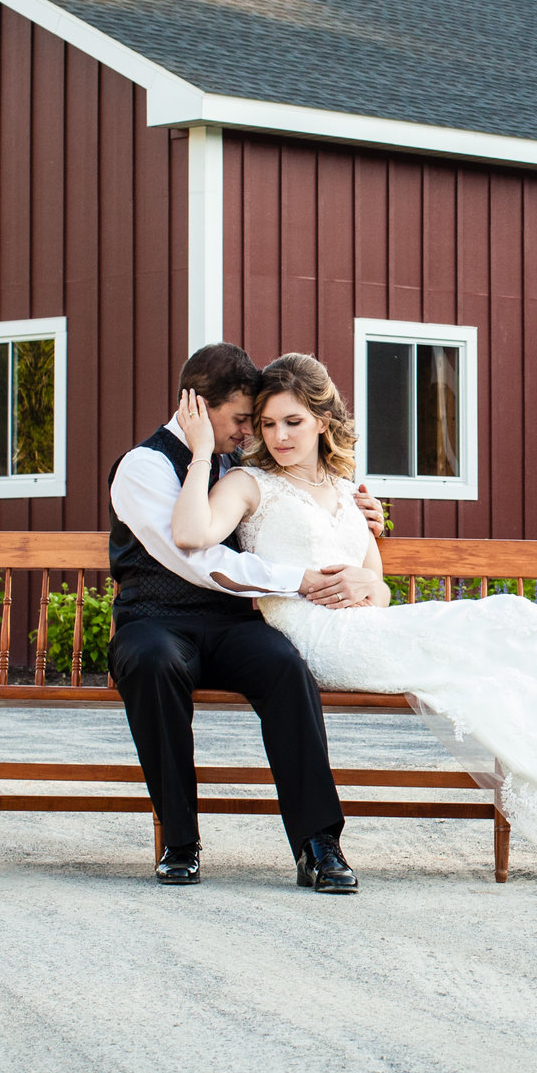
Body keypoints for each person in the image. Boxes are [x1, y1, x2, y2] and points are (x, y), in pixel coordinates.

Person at [166, 352, 537, 864]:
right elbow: (192, 532)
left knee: (508, 623)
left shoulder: (348, 491)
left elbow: (380, 584)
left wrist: (369, 587)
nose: (279, 437)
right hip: (314, 639)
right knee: (502, 620)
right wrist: (197, 454)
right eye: (267, 424)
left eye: (292, 422)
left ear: (323, 420)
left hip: (368, 626)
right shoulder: (247, 483)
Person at [109, 343, 388, 892]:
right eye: (241, 419)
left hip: (232, 625)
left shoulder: (241, 464)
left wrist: (375, 516)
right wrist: (297, 580)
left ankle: (319, 843)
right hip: (155, 622)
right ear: (197, 406)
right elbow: (194, 558)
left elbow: (306, 503)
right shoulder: (143, 466)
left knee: (285, 666)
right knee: (151, 662)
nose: (249, 433)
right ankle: (180, 842)